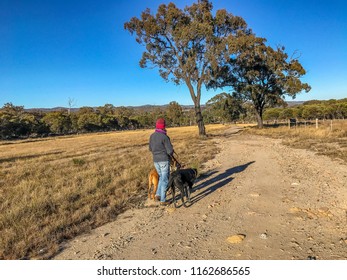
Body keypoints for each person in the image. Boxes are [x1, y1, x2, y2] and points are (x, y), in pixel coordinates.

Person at [149, 118, 174, 206]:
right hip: (164, 160)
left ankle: (157, 195)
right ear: (164, 126)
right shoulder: (165, 137)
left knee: (161, 178)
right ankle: (163, 200)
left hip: (155, 160)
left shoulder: (152, 136)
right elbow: (170, 151)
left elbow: (150, 149)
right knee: (165, 180)